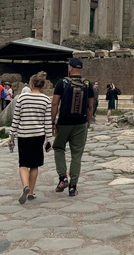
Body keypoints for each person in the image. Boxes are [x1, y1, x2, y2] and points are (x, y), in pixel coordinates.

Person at [52, 57, 94, 197]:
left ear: (70, 68)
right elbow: (90, 106)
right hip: (81, 122)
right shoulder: (88, 83)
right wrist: (88, 121)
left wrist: (53, 122)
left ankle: (63, 178)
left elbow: (55, 104)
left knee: (58, 148)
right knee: (77, 155)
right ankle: (73, 186)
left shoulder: (62, 82)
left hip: (64, 122)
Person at [9, 71, 53, 204]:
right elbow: (47, 122)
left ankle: (25, 187)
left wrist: (11, 136)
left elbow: (16, 119)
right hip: (38, 135)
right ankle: (31, 192)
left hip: (24, 135)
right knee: (34, 165)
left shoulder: (22, 98)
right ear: (42, 85)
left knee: (23, 163)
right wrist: (49, 140)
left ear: (31, 84)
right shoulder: (46, 100)